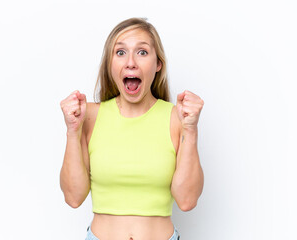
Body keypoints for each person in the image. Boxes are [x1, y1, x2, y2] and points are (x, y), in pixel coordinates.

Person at [59, 17, 204, 240]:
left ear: (158, 64)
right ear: (110, 64)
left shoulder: (177, 117)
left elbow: (186, 201)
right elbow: (73, 197)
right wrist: (72, 131)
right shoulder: (89, 116)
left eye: (142, 52)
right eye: (120, 52)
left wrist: (191, 130)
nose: (130, 63)